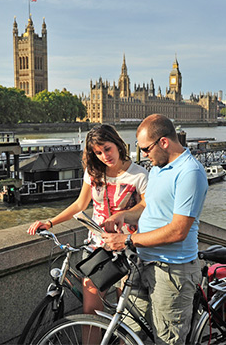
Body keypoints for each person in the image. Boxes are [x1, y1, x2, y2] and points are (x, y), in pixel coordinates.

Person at [101, 114, 208, 345]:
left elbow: (178, 231)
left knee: (167, 339)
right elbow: (149, 205)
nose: (144, 156)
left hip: (171, 271)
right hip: (142, 263)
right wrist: (124, 215)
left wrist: (129, 240)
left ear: (164, 142)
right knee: (127, 334)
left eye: (146, 149)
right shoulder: (160, 166)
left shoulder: (190, 173)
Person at [27, 124, 148, 317]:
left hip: (127, 249)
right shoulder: (93, 173)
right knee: (90, 313)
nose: (104, 156)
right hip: (97, 249)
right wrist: (50, 223)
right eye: (98, 153)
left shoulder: (139, 175)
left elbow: (146, 206)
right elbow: (80, 205)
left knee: (125, 315)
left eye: (107, 149)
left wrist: (122, 215)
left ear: (117, 144)